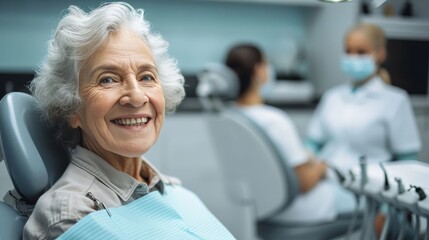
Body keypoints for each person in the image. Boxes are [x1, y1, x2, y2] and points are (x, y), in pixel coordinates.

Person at [22, 2, 235, 239]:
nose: (136, 96)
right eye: (107, 80)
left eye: (146, 76)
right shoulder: (73, 213)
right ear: (72, 107)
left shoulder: (171, 189)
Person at [306, 23, 422, 237]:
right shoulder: (333, 97)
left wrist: (387, 209)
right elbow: (312, 143)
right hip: (325, 182)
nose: (353, 58)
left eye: (361, 52)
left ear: (380, 54)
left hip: (366, 195)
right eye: (348, 51)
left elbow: (407, 162)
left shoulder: (395, 100)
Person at [224, 43, 341, 224]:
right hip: (291, 209)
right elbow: (303, 183)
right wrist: (321, 168)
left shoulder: (229, 115)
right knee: (367, 200)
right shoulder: (274, 120)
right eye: (267, 64)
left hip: (258, 207)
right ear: (259, 71)